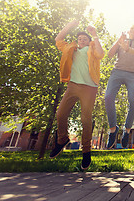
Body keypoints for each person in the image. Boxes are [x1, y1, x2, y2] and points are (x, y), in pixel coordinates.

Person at [50, 20, 104, 170]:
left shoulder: (92, 49)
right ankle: (62, 139)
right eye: (79, 39)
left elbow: (101, 54)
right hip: (73, 85)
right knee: (60, 114)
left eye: (85, 39)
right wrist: (69, 26)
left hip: (89, 87)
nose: (81, 41)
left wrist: (95, 36)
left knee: (86, 119)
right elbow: (58, 40)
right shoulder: (70, 48)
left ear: (88, 41)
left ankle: (86, 151)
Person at [105, 24, 134, 149]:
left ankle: (127, 130)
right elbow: (110, 54)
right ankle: (113, 129)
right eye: (132, 29)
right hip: (117, 72)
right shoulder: (121, 42)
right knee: (108, 97)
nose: (133, 31)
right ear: (129, 31)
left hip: (133, 75)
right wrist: (119, 39)